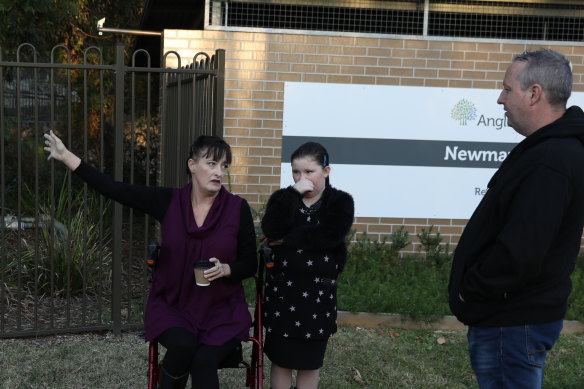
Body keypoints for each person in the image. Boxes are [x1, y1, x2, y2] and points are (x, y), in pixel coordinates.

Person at [44, 131, 257, 389]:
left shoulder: (237, 208)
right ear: (192, 165)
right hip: (174, 305)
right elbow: (114, 189)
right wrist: (66, 156)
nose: (219, 172)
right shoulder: (168, 201)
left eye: (224, 166)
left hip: (221, 310)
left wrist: (226, 269)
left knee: (204, 362)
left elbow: (250, 263)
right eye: (211, 164)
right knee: (182, 347)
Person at [448, 49, 584, 389]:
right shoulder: (549, 150)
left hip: (511, 324)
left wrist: (471, 293)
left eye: (508, 89)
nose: (500, 99)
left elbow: (521, 251)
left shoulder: (551, 160)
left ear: (534, 93)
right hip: (513, 320)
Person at [261, 142, 354, 389]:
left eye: (309, 171)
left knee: (309, 364)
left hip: (317, 296)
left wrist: (288, 239)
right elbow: (270, 229)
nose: (303, 178)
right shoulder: (284, 198)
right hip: (283, 293)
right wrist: (292, 194)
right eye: (296, 172)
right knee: (281, 361)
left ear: (326, 170)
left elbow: (329, 235)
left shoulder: (341, 201)